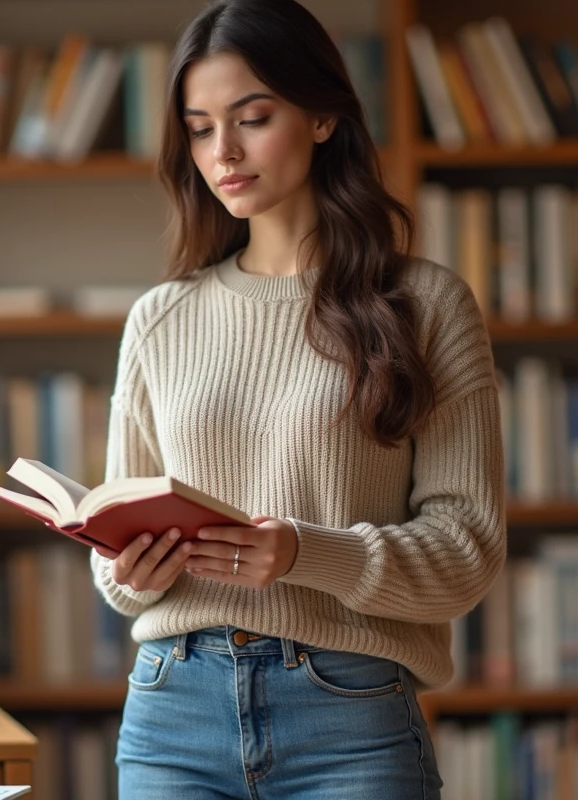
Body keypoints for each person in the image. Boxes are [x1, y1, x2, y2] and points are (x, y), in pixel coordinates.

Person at [89, 1, 505, 796]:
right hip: (172, 710)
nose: (225, 152)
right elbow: (116, 578)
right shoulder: (159, 319)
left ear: (320, 118)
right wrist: (131, 566)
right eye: (201, 127)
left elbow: (468, 549)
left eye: (252, 117)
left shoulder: (426, 306)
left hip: (347, 714)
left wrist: (305, 554)